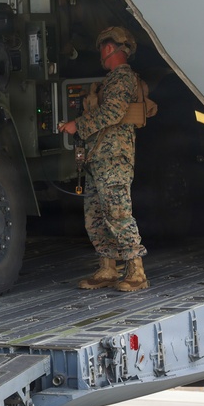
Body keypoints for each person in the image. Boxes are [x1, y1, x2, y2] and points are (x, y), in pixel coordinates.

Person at [57, 26, 148, 291]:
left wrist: (79, 125)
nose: (101, 56)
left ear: (108, 49)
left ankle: (136, 272)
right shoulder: (111, 80)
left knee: (118, 214)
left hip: (114, 160)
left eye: (101, 50)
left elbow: (113, 112)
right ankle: (108, 268)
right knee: (95, 217)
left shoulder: (122, 79)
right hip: (100, 159)